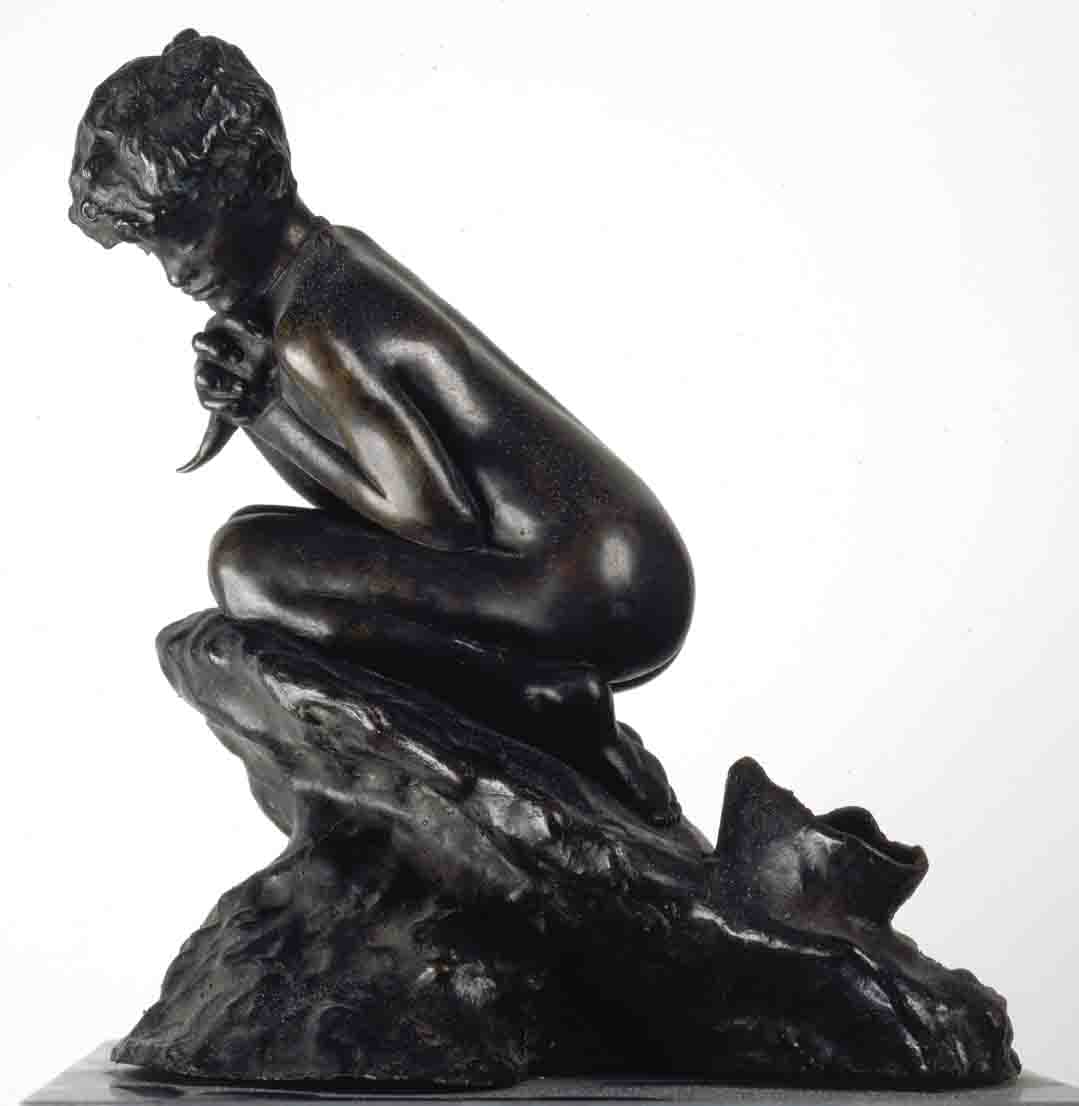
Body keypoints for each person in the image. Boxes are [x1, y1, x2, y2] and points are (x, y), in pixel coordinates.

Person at [69, 30, 694, 825]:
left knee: (246, 566)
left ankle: (539, 699)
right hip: (619, 565)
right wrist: (260, 412)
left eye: (186, 238)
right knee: (255, 544)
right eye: (157, 254)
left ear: (259, 180)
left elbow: (431, 525)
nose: (176, 273)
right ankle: (533, 694)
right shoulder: (331, 265)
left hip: (590, 588)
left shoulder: (316, 326)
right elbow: (372, 513)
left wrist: (265, 410)